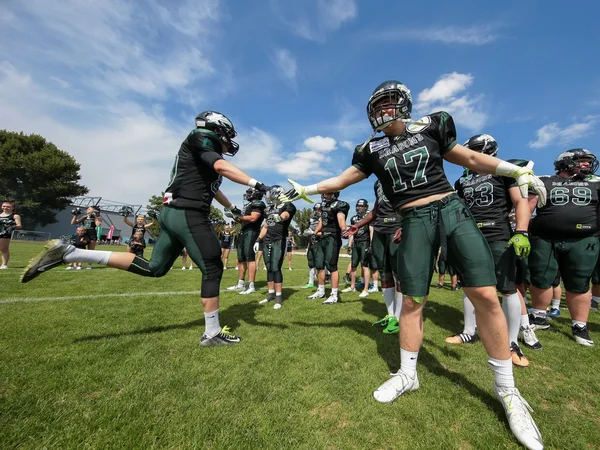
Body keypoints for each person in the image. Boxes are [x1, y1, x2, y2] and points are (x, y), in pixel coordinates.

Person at [280, 80, 546, 449]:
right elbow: (343, 179)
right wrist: (307, 189)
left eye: (389, 102)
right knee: (412, 300)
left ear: (404, 102)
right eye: (378, 105)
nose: (383, 110)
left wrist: (512, 171)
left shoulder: (433, 124)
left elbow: (468, 158)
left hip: (451, 209)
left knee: (485, 294)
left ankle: (508, 392)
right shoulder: (369, 149)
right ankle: (408, 374)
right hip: (413, 219)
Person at [21, 110, 273, 347]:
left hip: (175, 213)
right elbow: (220, 167)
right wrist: (261, 185)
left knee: (155, 268)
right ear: (217, 130)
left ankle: (70, 253)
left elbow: (213, 187)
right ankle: (212, 332)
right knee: (212, 266)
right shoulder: (201, 137)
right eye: (227, 134)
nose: (230, 141)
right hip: (187, 212)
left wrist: (231, 207)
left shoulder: (200, 150)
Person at [449, 134, 540, 367]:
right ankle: (470, 331)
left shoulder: (505, 170)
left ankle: (511, 342)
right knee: (470, 285)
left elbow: (520, 202)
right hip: (469, 234)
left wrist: (521, 231)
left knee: (507, 288)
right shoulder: (463, 180)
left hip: (497, 232)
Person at [527, 149, 599, 347]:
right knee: (541, 278)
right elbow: (528, 205)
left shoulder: (596, 182)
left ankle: (579, 326)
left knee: (580, 282)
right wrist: (522, 231)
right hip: (545, 237)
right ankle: (540, 316)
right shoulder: (544, 181)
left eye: (587, 162)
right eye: (582, 161)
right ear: (565, 162)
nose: (586, 165)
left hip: (583, 238)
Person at [344, 180, 403, 334]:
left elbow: (411, 201)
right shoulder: (378, 182)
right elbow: (376, 209)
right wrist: (359, 225)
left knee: (399, 274)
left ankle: (399, 317)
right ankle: (391, 315)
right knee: (384, 272)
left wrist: (405, 225)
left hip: (396, 227)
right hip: (380, 229)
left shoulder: (399, 173)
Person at [256, 186, 297, 309]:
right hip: (267, 239)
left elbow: (286, 215)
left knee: (276, 267)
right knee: (269, 267)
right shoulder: (268, 209)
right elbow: (265, 226)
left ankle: (278, 297)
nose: (269, 196)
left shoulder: (287, 205)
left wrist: (279, 217)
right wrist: (258, 239)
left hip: (279, 239)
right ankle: (270, 294)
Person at [308, 192, 349, 304]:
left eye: (328, 193)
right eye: (325, 193)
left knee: (331, 265)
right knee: (319, 265)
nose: (325, 195)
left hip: (333, 237)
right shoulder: (324, 205)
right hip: (323, 237)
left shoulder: (340, 205)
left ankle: (334, 295)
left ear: (334, 193)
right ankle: (321, 291)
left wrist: (344, 229)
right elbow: (322, 221)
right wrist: (315, 233)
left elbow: (341, 219)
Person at [227, 188, 266, 294]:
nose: (247, 195)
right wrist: (234, 216)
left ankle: (251, 285)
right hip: (244, 231)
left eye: (249, 193)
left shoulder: (258, 203)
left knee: (250, 258)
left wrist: (240, 216)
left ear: (256, 194)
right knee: (241, 258)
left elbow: (254, 218)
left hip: (252, 232)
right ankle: (240, 283)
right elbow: (242, 220)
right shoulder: (248, 205)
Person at [343, 199, 372, 298]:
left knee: (364, 265)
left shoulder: (368, 218)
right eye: (358, 206)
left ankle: (366, 289)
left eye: (361, 206)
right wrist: (349, 245)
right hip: (356, 243)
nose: (359, 208)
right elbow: (351, 234)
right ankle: (352, 286)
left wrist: (371, 244)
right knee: (354, 265)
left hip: (365, 242)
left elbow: (372, 231)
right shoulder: (354, 218)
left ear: (365, 207)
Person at [303, 202, 322, 288]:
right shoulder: (312, 219)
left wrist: (314, 233)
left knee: (320, 264)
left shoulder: (324, 219)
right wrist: (307, 233)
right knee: (311, 262)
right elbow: (308, 229)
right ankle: (311, 282)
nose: (317, 211)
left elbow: (326, 233)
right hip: (311, 243)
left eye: (319, 209)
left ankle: (321, 283)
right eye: (316, 209)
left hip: (321, 243)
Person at [0, 200, 22, 269]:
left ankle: (4, 264)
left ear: (12, 208)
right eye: (4, 206)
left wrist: (11, 226)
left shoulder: (15, 216)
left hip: (5, 234)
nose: (5, 208)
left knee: (3, 249)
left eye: (8, 207)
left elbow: (19, 225)